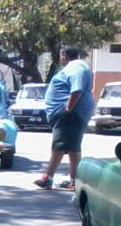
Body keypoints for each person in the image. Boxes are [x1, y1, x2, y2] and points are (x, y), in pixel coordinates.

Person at [34, 47, 95, 190]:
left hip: (71, 114)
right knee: (73, 147)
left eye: (61, 55)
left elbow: (77, 89)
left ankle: (48, 177)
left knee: (59, 144)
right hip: (74, 113)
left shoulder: (76, 68)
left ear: (64, 56)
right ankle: (74, 180)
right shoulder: (77, 67)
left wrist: (68, 107)